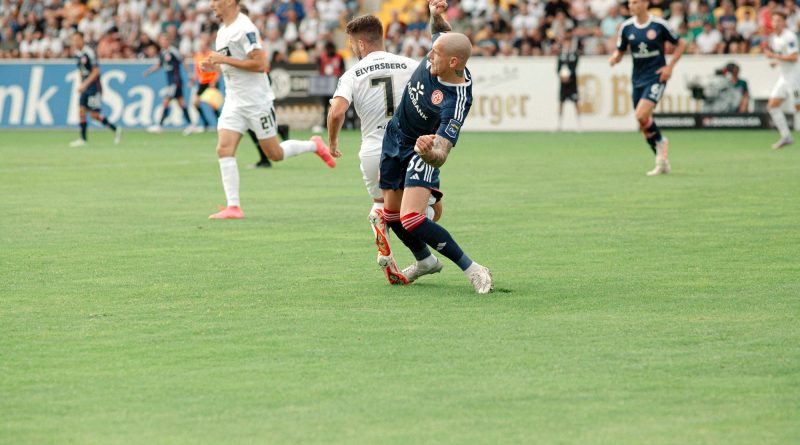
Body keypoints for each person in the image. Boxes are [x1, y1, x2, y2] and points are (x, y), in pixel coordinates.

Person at [377, 0, 493, 294]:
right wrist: (436, 16)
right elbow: (441, 37)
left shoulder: (455, 103)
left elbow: (441, 154)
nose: (429, 55)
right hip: (395, 136)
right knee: (391, 215)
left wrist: (427, 151)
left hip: (421, 150)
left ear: (453, 63)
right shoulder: (441, 55)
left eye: (436, 54)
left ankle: (473, 269)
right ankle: (425, 261)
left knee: (412, 219)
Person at [326, 14, 442, 285]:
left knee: (387, 206)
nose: (353, 49)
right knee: (423, 210)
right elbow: (434, 101)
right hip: (412, 147)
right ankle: (423, 255)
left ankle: (420, 256)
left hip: (372, 150)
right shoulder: (410, 65)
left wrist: (332, 142)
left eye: (353, 44)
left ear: (362, 44)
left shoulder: (352, 73)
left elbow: (337, 111)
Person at [201, 0, 336, 220]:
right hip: (234, 101)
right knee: (224, 149)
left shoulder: (245, 28)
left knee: (274, 154)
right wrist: (214, 65)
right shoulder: (223, 30)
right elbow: (233, 63)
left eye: (216, 1)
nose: (211, 5)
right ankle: (233, 207)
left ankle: (314, 145)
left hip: (256, 102)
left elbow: (260, 64)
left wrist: (223, 59)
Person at [609, 0, 686, 176]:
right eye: (629, 3)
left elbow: (681, 44)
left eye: (635, 2)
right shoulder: (627, 27)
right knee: (643, 121)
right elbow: (620, 50)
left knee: (641, 114)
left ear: (645, 3)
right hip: (637, 79)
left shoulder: (659, 24)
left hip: (656, 77)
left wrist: (670, 67)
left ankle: (661, 143)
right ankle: (661, 159)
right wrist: (614, 58)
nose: (631, 5)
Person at [69, 31, 122, 147]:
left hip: (93, 87)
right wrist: (81, 84)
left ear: (82, 39)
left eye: (77, 39)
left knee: (94, 115)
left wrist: (85, 84)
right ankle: (83, 139)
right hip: (85, 87)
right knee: (81, 112)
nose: (75, 42)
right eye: (73, 40)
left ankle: (115, 128)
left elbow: (96, 71)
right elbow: (81, 71)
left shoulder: (89, 53)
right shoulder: (77, 54)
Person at [143, 33, 194, 134]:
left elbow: (183, 61)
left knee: (166, 101)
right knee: (181, 103)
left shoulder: (173, 51)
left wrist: (190, 74)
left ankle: (159, 125)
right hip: (171, 82)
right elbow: (159, 65)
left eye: (164, 40)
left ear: (168, 41)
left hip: (175, 81)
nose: (162, 42)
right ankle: (191, 125)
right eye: (161, 41)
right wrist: (148, 72)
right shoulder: (163, 52)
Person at [765, 11, 800, 150]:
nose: (775, 23)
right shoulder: (774, 37)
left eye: (778, 20)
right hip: (784, 78)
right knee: (772, 106)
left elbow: (794, 57)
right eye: (773, 20)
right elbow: (783, 56)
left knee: (798, 109)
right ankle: (786, 136)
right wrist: (776, 62)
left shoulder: (789, 36)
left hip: (796, 77)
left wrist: (774, 56)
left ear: (784, 22)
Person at [189, 35, 220, 133]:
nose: (201, 47)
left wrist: (214, 81)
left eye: (203, 45)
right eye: (200, 45)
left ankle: (220, 125)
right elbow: (197, 71)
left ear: (207, 45)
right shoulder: (197, 56)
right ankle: (205, 123)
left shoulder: (212, 55)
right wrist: (194, 79)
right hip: (203, 82)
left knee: (213, 105)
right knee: (195, 103)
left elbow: (218, 69)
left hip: (211, 82)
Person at [557, 29, 581, 131]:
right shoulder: (561, 56)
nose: (567, 45)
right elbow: (557, 68)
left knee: (576, 102)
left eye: (568, 44)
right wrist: (561, 76)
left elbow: (574, 67)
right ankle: (559, 125)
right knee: (561, 102)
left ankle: (579, 125)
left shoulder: (574, 55)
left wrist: (569, 76)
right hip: (563, 83)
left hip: (572, 82)